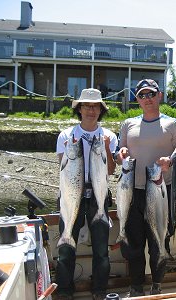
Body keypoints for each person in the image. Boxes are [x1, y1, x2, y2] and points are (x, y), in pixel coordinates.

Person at [115, 79, 176, 297]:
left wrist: (171, 160)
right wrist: (120, 155)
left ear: (160, 96)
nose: (147, 99)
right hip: (131, 192)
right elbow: (120, 153)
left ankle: (157, 285)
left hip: (160, 190)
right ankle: (136, 287)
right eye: (142, 95)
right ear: (137, 99)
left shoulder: (173, 124)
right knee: (134, 244)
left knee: (158, 242)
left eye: (151, 94)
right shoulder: (128, 124)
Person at [55, 88, 117, 300]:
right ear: (79, 109)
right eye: (87, 106)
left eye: (95, 106)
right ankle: (64, 290)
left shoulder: (109, 136)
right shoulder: (66, 135)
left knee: (101, 249)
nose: (91, 110)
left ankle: (99, 290)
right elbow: (64, 168)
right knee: (66, 249)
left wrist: (107, 148)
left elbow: (110, 170)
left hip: (99, 196)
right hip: (72, 195)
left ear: (101, 110)